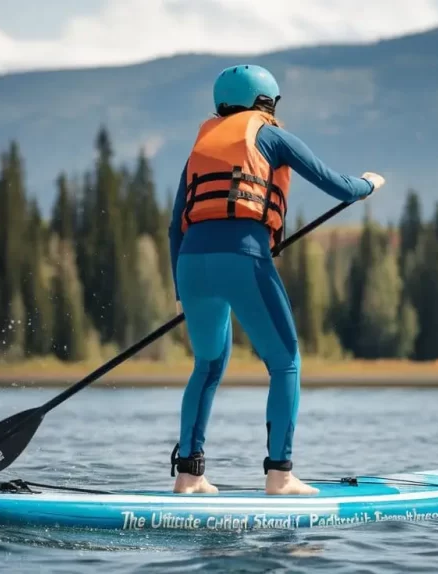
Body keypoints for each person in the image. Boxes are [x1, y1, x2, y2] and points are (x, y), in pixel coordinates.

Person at [167, 64, 386, 496]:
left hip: (191, 265)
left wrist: (179, 291)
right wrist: (367, 185)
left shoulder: (200, 147)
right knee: (285, 363)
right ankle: (280, 475)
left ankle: (189, 476)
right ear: (264, 102)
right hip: (242, 258)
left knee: (207, 366)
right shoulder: (268, 134)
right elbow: (337, 185)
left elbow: (176, 225)